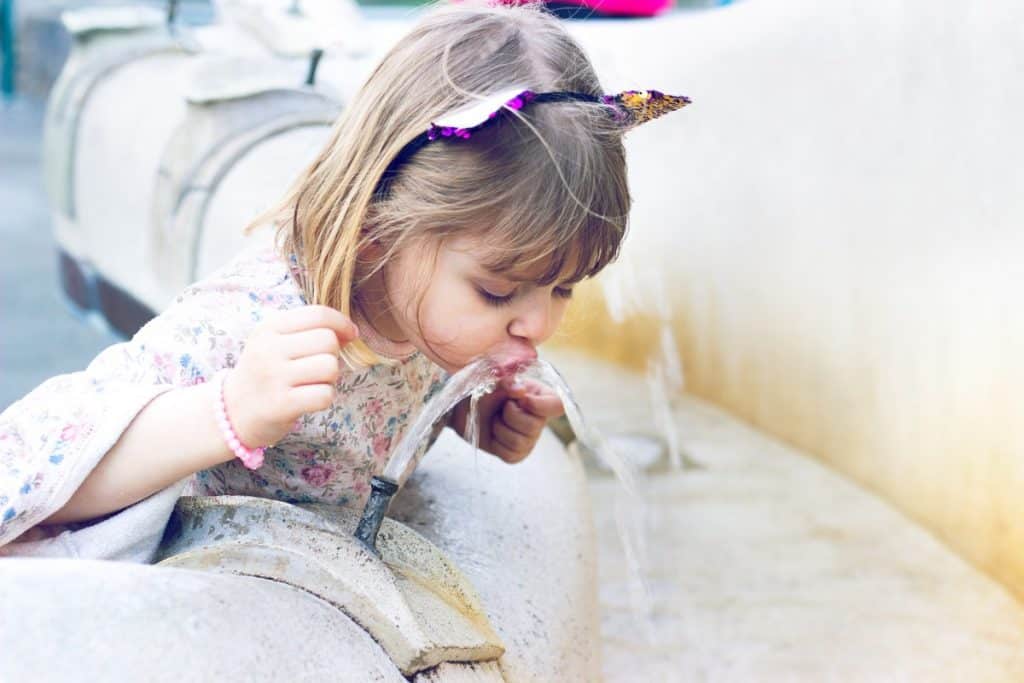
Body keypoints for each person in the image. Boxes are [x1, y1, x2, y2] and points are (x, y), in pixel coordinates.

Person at [0, 0, 688, 559]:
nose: (536, 324)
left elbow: (379, 413)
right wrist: (231, 409)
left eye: (563, 288)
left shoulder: (425, 315)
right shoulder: (256, 320)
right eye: (499, 291)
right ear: (373, 236)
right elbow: (39, 465)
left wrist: (472, 417)